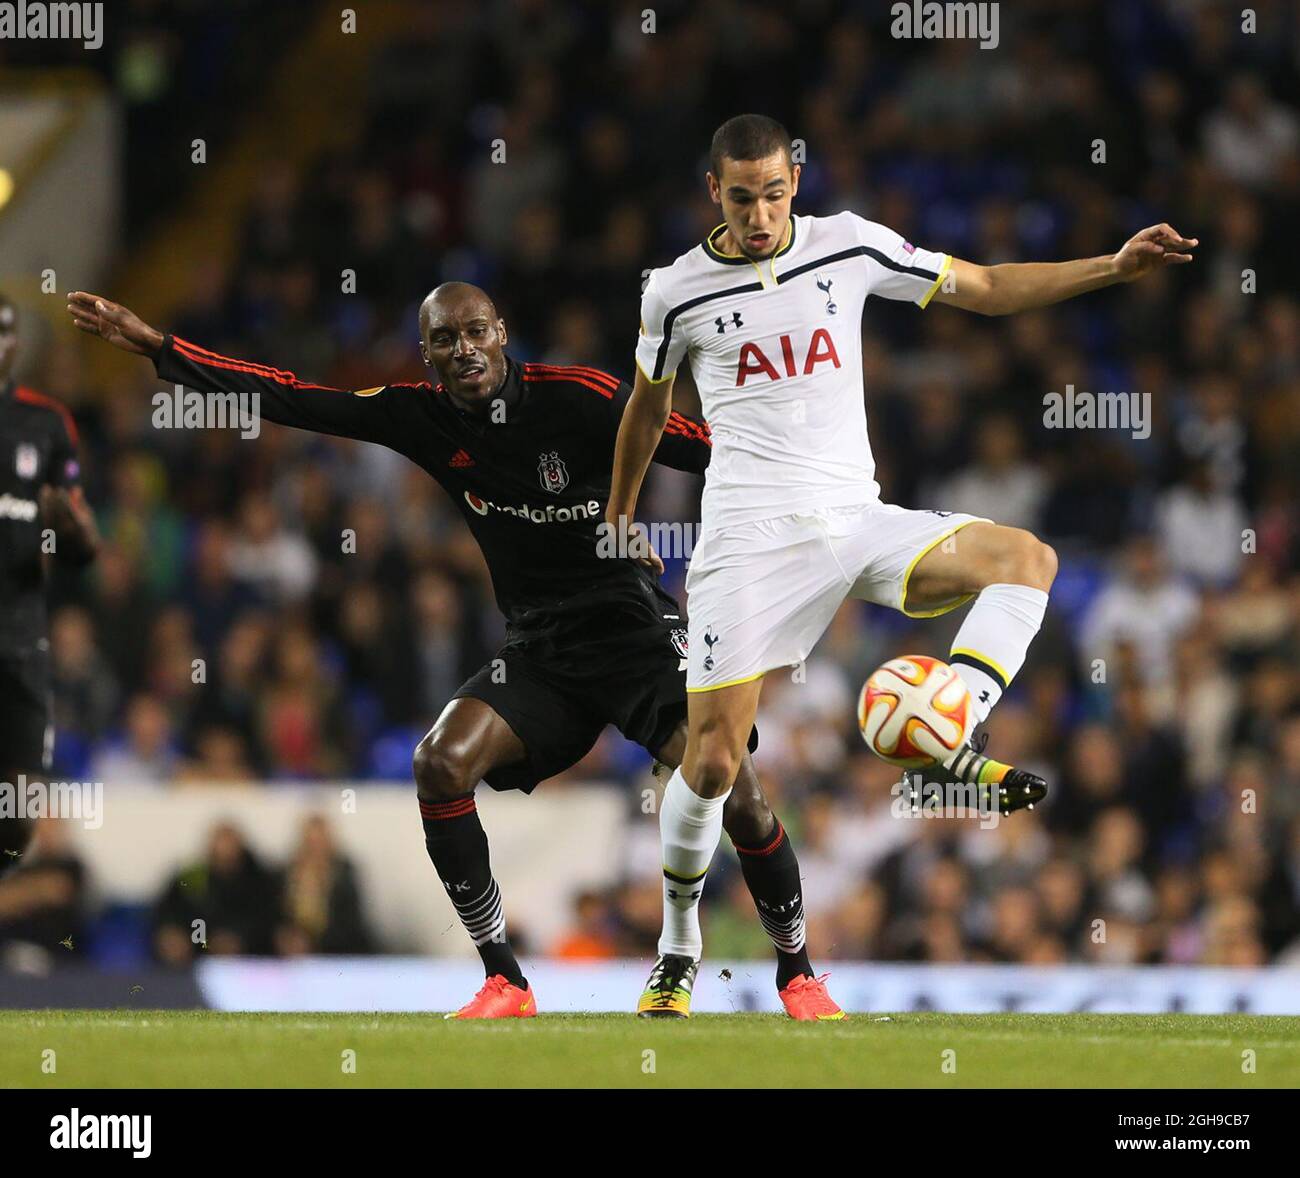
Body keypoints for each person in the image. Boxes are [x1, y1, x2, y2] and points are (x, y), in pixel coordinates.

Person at [67, 283, 841, 1020]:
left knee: (735, 792)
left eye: (476, 331)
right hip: (540, 648)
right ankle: (503, 976)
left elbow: (715, 450)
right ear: (427, 354)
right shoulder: (421, 416)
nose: (464, 348)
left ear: (501, 334)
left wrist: (810, 490)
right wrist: (160, 347)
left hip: (636, 633)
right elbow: (292, 396)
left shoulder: (582, 396)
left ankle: (797, 969)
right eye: (445, 339)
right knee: (438, 761)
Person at [608, 113, 1197, 997]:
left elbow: (990, 286)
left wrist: (1111, 266)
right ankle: (680, 943)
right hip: (747, 546)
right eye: (741, 197)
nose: (760, 214)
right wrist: (620, 516)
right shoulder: (674, 292)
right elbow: (646, 409)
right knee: (714, 764)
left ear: (794, 182)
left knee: (1027, 559)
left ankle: (949, 715)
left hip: (855, 519)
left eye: (773, 193)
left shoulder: (850, 246)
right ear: (713, 194)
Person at [0, 294, 98, 877]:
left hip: (19, 632)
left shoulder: (47, 421)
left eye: (5, 332)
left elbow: (81, 550)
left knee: (18, 809)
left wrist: (74, 528)